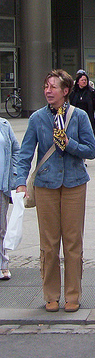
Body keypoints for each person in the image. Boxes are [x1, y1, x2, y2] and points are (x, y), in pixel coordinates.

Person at [15, 70, 95, 312]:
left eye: (53, 87)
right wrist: (20, 181)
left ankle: (73, 294)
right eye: (46, 86)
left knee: (73, 242)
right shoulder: (37, 119)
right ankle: (51, 294)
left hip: (74, 183)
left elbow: (91, 150)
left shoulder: (79, 116)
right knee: (49, 243)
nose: (48, 91)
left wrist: (69, 144)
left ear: (65, 91)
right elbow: (25, 153)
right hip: (46, 184)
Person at [0, 118, 20, 281]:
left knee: (1, 227)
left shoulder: (4, 125)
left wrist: (14, 173)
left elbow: (16, 150)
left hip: (1, 184)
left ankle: (3, 263)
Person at [69, 71, 95, 139]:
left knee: (88, 137)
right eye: (82, 80)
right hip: (76, 119)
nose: (84, 82)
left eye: (85, 80)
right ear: (78, 82)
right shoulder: (73, 92)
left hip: (88, 118)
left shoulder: (91, 92)